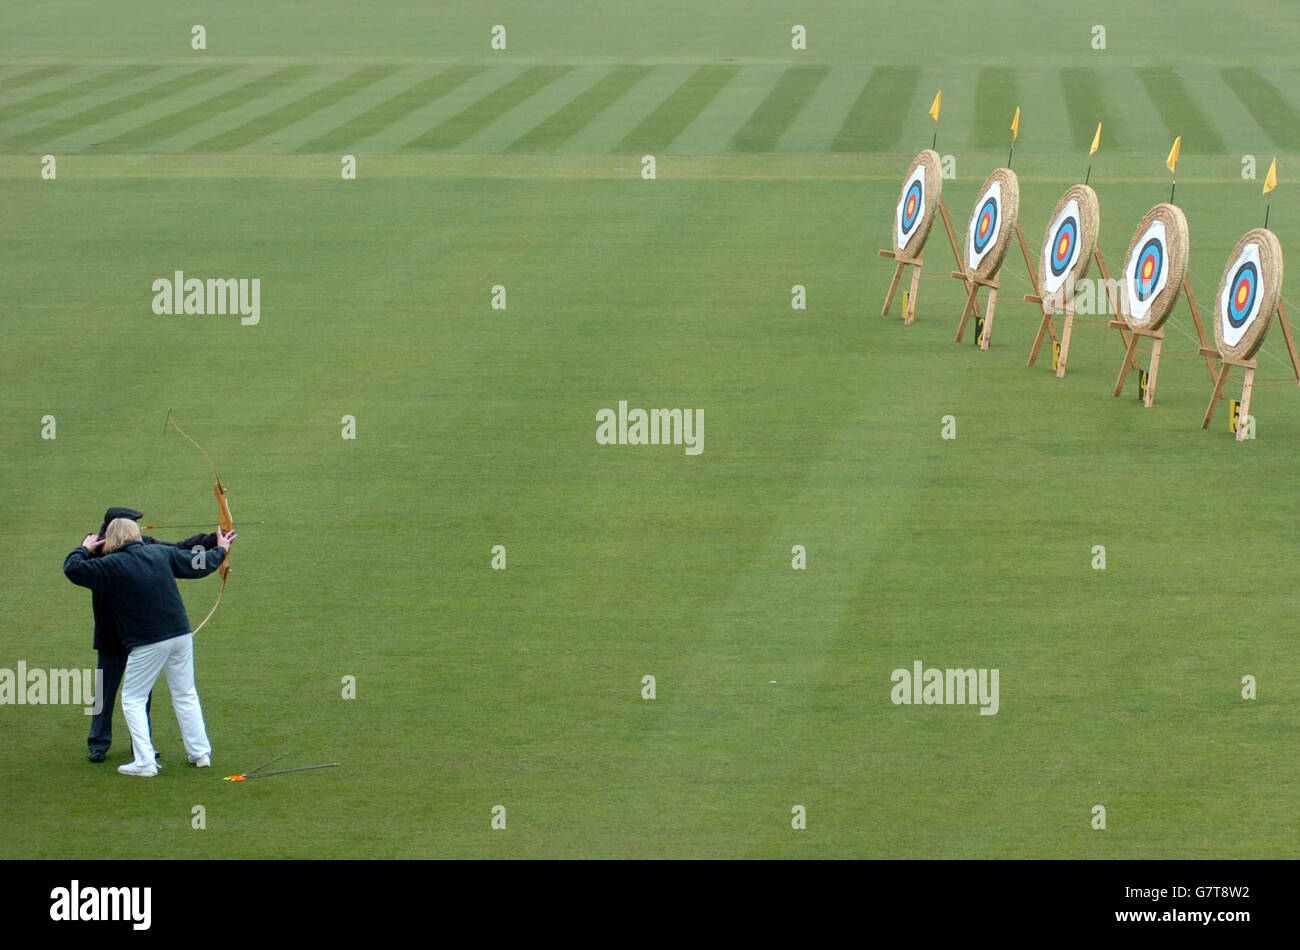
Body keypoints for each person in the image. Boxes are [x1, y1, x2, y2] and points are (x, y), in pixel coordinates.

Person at [64, 517, 235, 777]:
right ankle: (200, 753)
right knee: (185, 693)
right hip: (180, 635)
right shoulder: (160, 552)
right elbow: (198, 565)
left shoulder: (111, 564)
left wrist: (84, 548)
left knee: (132, 699)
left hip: (148, 642)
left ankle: (145, 762)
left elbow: (73, 569)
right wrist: (220, 549)